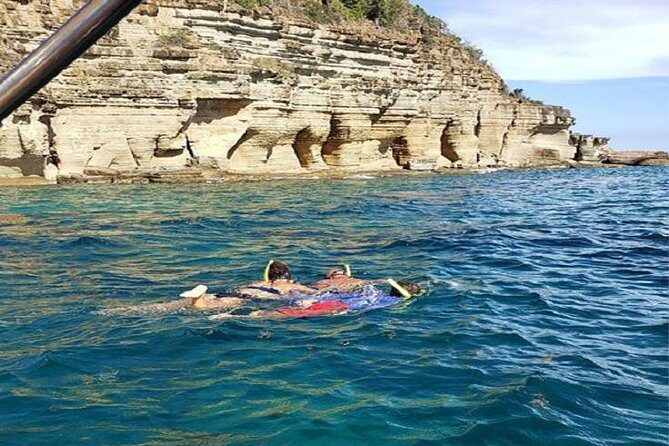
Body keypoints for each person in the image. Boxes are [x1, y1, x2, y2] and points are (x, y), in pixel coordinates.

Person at [209, 279, 424, 320]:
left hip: (334, 301)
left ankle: (242, 314)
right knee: (287, 314)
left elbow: (350, 295)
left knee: (291, 310)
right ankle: (236, 317)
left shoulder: (376, 294)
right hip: (338, 307)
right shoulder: (391, 303)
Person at [236, 260, 316, 299]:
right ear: (287, 273)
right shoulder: (293, 285)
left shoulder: (258, 284)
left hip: (254, 293)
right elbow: (315, 293)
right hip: (277, 297)